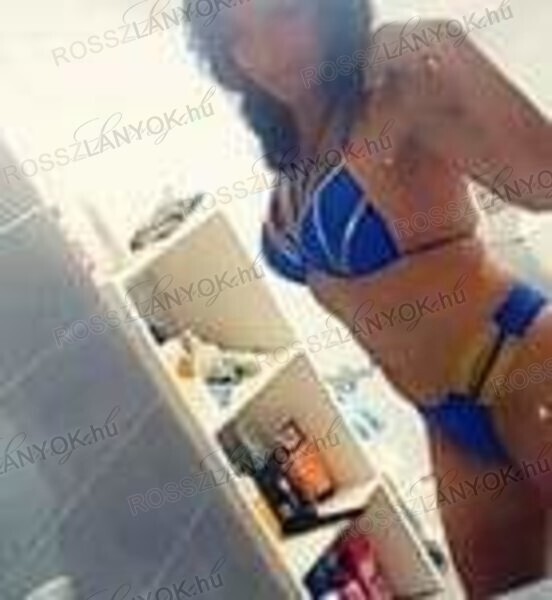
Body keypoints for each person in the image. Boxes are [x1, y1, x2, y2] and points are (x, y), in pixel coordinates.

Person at [188, 1, 552, 596]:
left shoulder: (393, 102)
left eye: (285, 14)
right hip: (447, 419)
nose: (269, 51)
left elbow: (543, 184)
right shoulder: (291, 167)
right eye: (239, 36)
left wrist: (447, 43)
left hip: (523, 367)